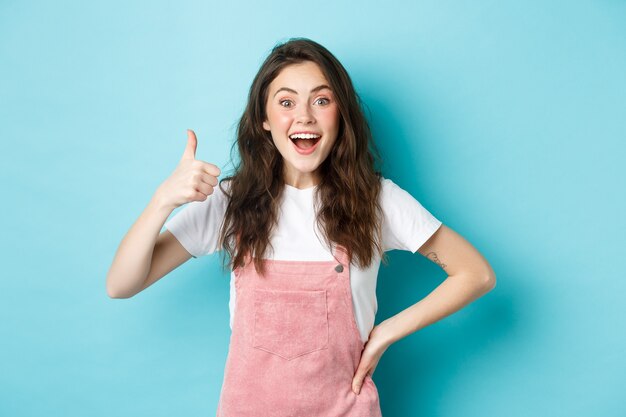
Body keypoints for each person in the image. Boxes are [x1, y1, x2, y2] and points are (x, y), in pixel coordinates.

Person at [106, 37, 497, 416]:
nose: (305, 116)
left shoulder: (377, 200)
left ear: (341, 115)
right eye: (287, 102)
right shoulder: (230, 202)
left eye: (321, 100)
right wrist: (162, 202)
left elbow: (476, 274)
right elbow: (121, 285)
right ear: (264, 119)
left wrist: (386, 332)